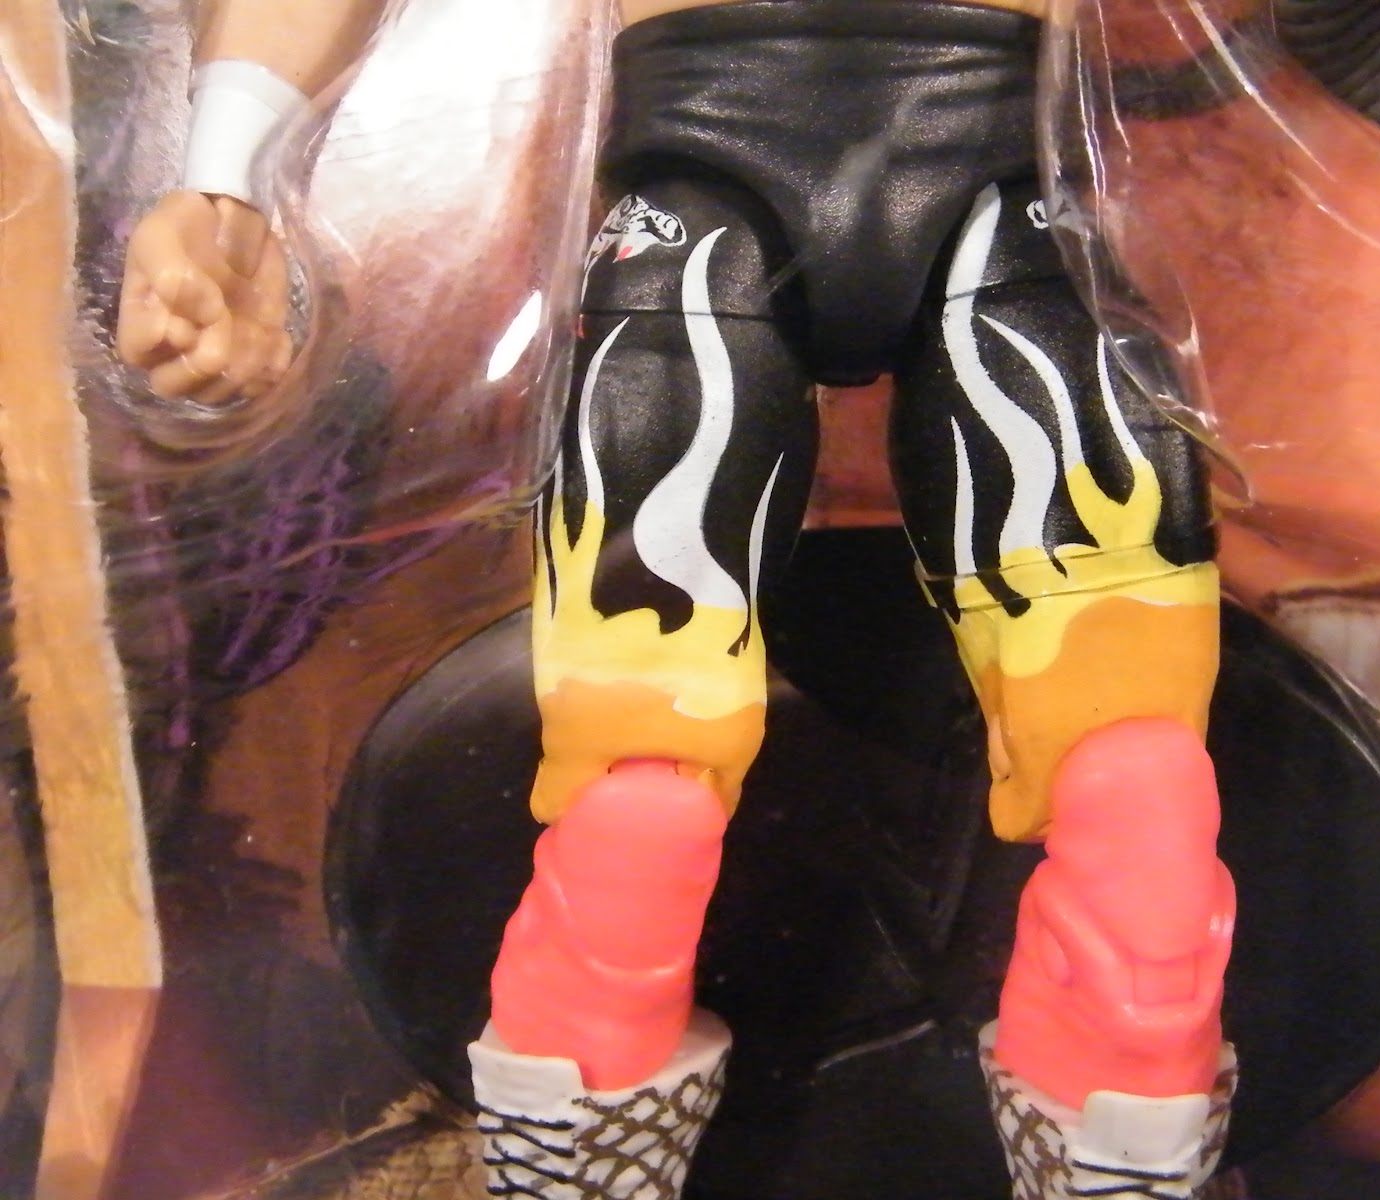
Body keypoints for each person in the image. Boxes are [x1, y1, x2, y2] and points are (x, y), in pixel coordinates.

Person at [117, 2, 1235, 1197]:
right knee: (1123, 764)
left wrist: (225, 171)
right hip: (987, 218)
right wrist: (227, 182)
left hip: (704, 220)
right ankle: (1124, 1134)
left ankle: (580, 1137)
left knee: (643, 762)